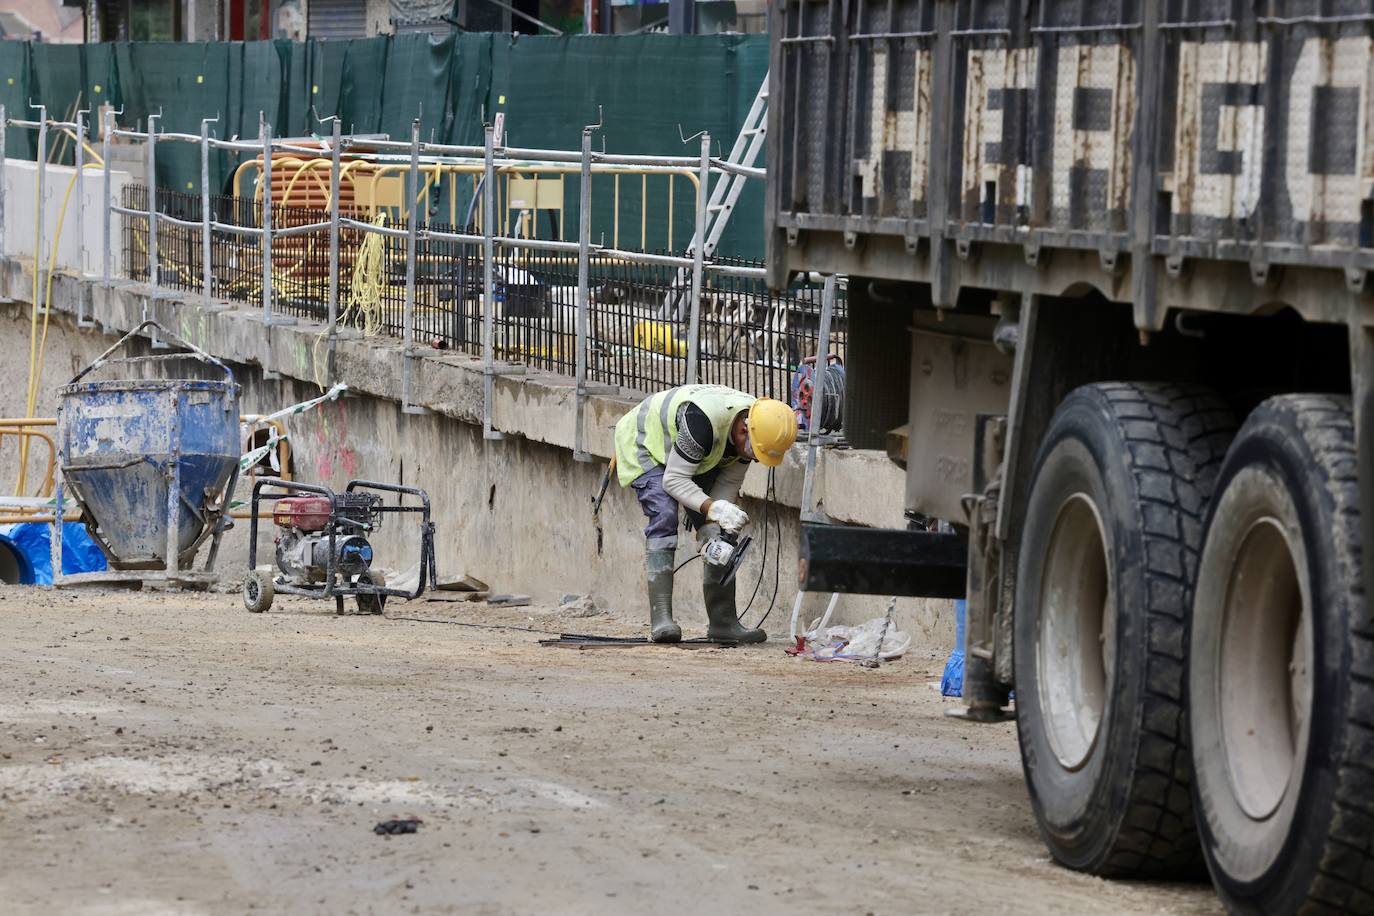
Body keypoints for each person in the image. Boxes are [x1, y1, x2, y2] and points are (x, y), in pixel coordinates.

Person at [613, 383, 799, 643]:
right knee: (665, 514)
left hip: (690, 455)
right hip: (647, 443)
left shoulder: (757, 429)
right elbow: (674, 481)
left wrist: (716, 526)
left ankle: (723, 623)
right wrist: (712, 507)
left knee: (720, 533)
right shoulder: (701, 421)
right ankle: (662, 619)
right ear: (744, 429)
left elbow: (728, 485)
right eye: (754, 452)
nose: (755, 459)